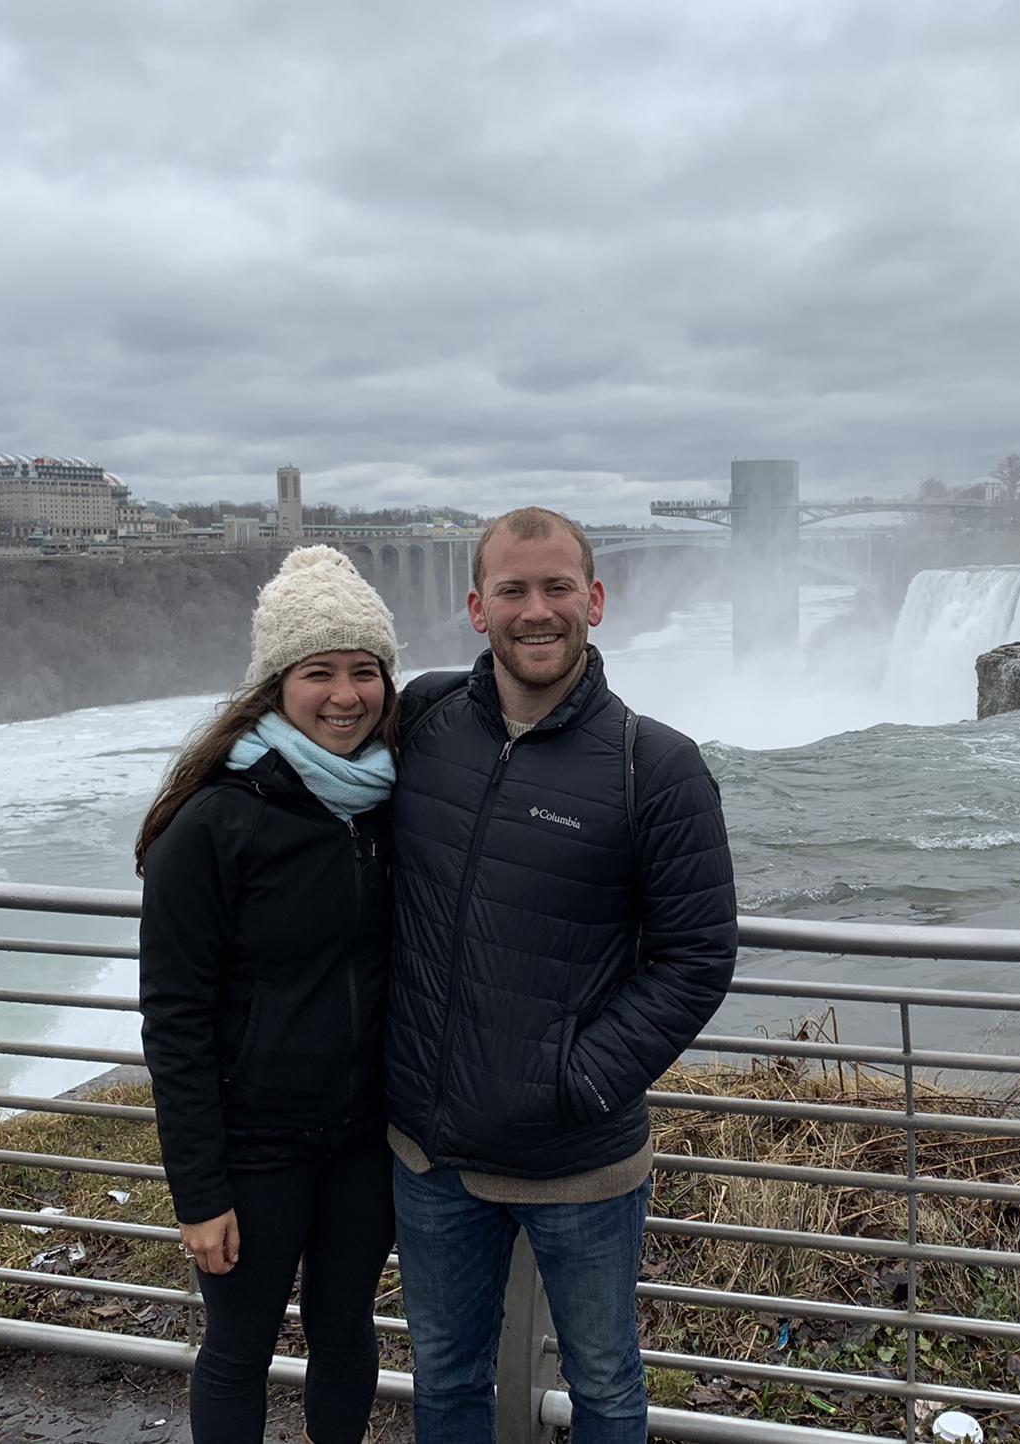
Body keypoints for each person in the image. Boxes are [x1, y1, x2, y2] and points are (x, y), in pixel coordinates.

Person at [386, 506, 739, 1443]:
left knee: (607, 1390)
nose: (534, 610)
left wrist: (576, 1080)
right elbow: (308, 754)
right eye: (512, 589)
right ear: (475, 607)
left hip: (578, 1161)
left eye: (555, 588)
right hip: (431, 1154)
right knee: (444, 1381)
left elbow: (697, 956)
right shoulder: (421, 721)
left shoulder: (653, 766)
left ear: (594, 600)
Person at [137, 544, 401, 1444]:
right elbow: (174, 1019)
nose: (344, 695)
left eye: (365, 671)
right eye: (318, 672)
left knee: (346, 1333)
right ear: (273, 686)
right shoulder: (214, 825)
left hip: (365, 1141)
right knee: (240, 1346)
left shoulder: (390, 804)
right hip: (253, 1152)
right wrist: (198, 1190)